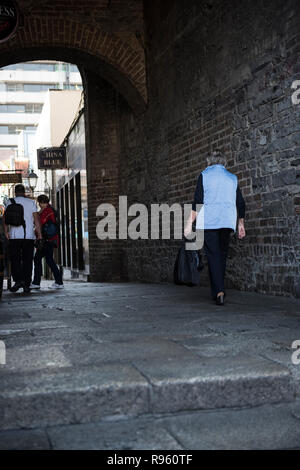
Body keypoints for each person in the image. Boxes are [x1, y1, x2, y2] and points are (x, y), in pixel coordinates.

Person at [184, 150, 246, 306]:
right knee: (222, 255)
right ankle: (217, 290)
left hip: (209, 222)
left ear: (209, 161)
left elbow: (198, 201)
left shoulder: (204, 175)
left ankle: (219, 291)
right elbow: (241, 202)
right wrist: (241, 224)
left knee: (213, 255)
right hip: (226, 222)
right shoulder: (232, 178)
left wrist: (188, 224)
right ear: (224, 162)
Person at [3, 184, 42, 294]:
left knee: (15, 259)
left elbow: (5, 219)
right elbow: (36, 220)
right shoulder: (31, 203)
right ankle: (26, 283)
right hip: (28, 236)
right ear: (24, 192)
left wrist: (6, 232)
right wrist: (39, 235)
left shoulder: (9, 202)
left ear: (15, 192)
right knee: (27, 260)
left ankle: (18, 281)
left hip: (14, 236)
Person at [30, 194, 64, 290]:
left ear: (40, 202)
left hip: (46, 240)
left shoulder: (47, 211)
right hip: (50, 239)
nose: (40, 205)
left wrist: (38, 213)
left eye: (40, 203)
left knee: (42, 260)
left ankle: (56, 282)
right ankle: (57, 281)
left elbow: (39, 222)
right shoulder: (50, 209)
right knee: (47, 260)